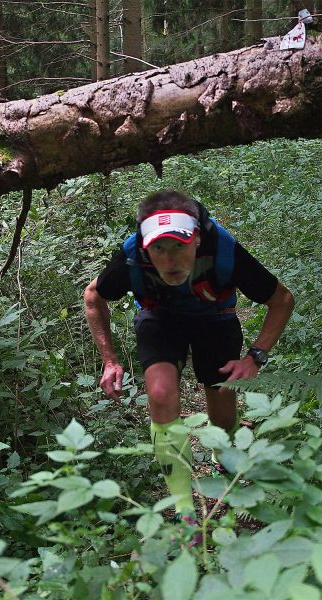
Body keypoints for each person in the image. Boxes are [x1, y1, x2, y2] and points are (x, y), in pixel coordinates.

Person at [84, 190, 294, 522]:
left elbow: (281, 299)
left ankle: (226, 471)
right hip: (160, 318)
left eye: (179, 247)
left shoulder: (223, 249)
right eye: (159, 249)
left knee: (223, 406)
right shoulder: (129, 256)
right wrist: (110, 360)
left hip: (216, 318)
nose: (170, 261)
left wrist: (255, 357)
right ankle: (185, 514)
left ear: (196, 239)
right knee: (160, 393)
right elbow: (93, 296)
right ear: (146, 246)